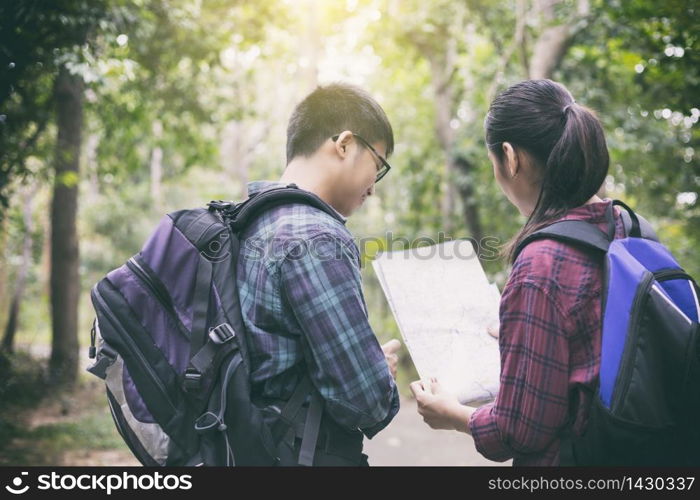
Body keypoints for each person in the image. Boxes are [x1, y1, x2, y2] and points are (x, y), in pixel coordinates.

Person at [410, 79, 624, 466]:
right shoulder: (625, 226)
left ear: (510, 157)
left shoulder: (542, 263)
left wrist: (454, 415)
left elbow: (520, 431)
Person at [237, 82, 401, 466]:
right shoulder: (315, 236)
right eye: (378, 165)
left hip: (247, 445)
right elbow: (366, 402)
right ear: (344, 144)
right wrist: (379, 373)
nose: (373, 189)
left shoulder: (249, 220)